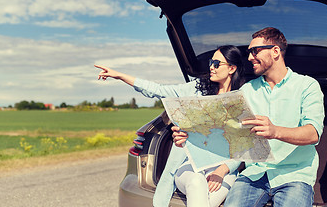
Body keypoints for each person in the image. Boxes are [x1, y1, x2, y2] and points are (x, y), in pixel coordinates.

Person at [174, 27, 325, 207]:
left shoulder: (307, 86)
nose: (250, 57)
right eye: (249, 52)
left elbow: (313, 133)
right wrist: (189, 136)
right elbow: (225, 133)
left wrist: (275, 131)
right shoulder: (246, 91)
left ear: (275, 51)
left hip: (294, 175)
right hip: (254, 174)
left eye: (255, 51)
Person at [95, 45, 245, 207]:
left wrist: (222, 171)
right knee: (196, 182)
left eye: (216, 63)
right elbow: (158, 90)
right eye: (211, 62)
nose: (211, 67)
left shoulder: (241, 100)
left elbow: (244, 146)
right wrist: (120, 76)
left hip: (223, 170)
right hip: (190, 167)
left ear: (231, 68)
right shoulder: (197, 89)